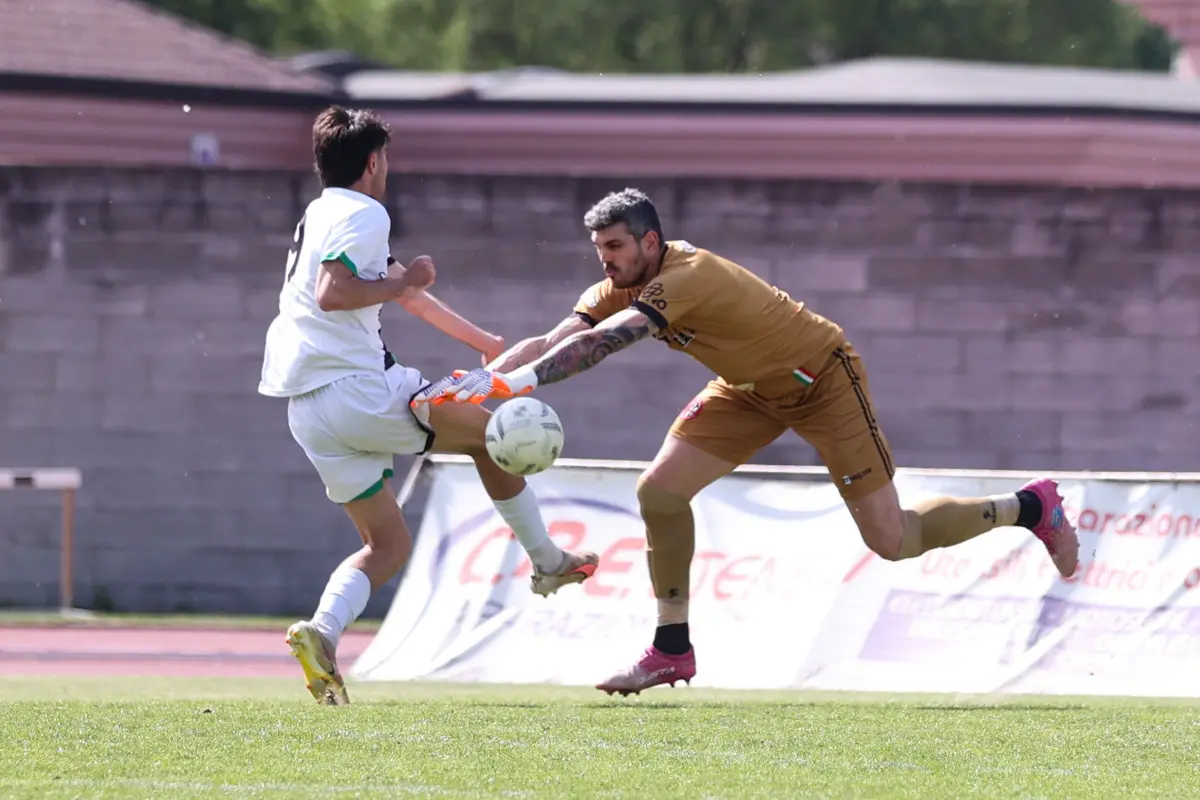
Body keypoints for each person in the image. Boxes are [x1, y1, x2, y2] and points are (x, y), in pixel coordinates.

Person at [413, 187, 1080, 696]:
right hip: (747, 391)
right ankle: (671, 647)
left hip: (821, 376)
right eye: (600, 252)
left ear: (650, 241)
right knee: (661, 494)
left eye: (616, 248)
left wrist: (522, 384)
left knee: (893, 540)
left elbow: (603, 344)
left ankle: (1030, 507)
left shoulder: (690, 275)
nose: (607, 262)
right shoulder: (614, 283)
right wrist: (482, 384)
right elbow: (558, 336)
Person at [257, 106, 599, 705]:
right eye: (384, 158)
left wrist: (485, 343)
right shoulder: (366, 213)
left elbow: (402, 292)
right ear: (372, 162)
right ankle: (546, 560)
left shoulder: (321, 214)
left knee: (387, 546)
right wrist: (403, 279)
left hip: (307, 409)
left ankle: (321, 632)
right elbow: (336, 293)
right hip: (358, 389)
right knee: (494, 431)